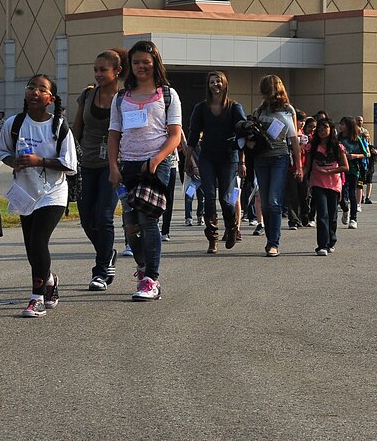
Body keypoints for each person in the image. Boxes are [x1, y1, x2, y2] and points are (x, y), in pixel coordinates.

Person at [0, 74, 77, 317]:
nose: (35, 92)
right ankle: (49, 279)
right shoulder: (14, 124)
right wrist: (14, 162)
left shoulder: (59, 126)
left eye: (42, 89)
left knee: (39, 241)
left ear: (50, 99)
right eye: (31, 87)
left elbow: (69, 164)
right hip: (26, 193)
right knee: (32, 248)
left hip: (53, 193)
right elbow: (3, 152)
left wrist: (39, 161)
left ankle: (37, 298)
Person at [108, 41, 182, 299]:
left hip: (156, 165)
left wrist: (156, 159)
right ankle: (142, 266)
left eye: (146, 62)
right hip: (127, 164)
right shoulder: (121, 97)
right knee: (130, 225)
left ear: (155, 64)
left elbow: (174, 135)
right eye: (136, 62)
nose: (141, 66)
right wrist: (113, 166)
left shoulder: (168, 95)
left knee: (148, 219)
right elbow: (114, 134)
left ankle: (151, 279)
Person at [71, 49, 126, 292]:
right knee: (87, 219)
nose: (98, 74)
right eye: (96, 70)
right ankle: (107, 252)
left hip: (111, 165)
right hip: (86, 163)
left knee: (104, 216)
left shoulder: (124, 98)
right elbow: (77, 128)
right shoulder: (87, 95)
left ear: (117, 71)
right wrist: (70, 158)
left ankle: (101, 271)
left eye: (103, 70)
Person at [186, 71, 246, 254]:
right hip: (207, 158)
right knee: (209, 197)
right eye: (212, 82)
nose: (215, 85)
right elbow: (193, 135)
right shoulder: (201, 108)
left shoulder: (234, 107)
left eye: (218, 81)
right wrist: (188, 159)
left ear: (225, 84)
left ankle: (232, 226)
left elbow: (243, 134)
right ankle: (212, 238)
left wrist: (242, 161)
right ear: (208, 85)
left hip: (228, 158)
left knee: (227, 200)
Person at [249, 74, 302, 257]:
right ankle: (270, 239)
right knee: (265, 202)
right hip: (261, 158)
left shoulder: (288, 110)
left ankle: (274, 243)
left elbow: (293, 138)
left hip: (280, 157)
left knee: (274, 200)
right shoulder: (259, 110)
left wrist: (299, 165)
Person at [305, 118, 348, 255]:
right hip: (318, 183)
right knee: (322, 213)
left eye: (325, 128)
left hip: (333, 184)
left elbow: (345, 167)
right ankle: (322, 245)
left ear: (331, 129)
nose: (322, 131)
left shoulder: (337, 147)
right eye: (319, 129)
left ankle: (331, 241)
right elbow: (307, 165)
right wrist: (301, 173)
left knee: (332, 214)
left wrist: (328, 171)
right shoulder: (312, 146)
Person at [338, 116, 368, 230]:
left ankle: (353, 218)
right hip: (340, 169)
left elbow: (366, 154)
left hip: (353, 169)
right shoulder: (338, 138)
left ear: (349, 126)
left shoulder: (357, 139)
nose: (340, 126)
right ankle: (345, 209)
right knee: (340, 194)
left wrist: (354, 156)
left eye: (343, 124)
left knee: (352, 193)